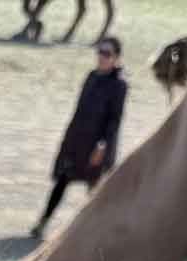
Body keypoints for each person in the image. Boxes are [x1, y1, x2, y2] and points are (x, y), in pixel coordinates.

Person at [31, 36, 126, 239]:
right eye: (100, 51)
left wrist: (102, 147)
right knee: (62, 181)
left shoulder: (119, 85)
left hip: (97, 147)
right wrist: (68, 140)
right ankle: (42, 223)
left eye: (107, 53)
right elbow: (79, 111)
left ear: (116, 58)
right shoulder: (91, 76)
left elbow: (114, 121)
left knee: (95, 192)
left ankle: (100, 234)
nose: (102, 56)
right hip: (77, 142)